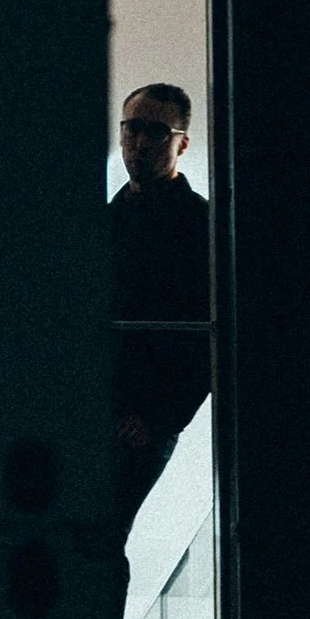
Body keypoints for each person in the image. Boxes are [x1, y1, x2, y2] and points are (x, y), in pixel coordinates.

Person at [111, 82, 212, 539]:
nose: (141, 142)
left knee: (102, 539)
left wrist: (157, 419)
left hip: (141, 423)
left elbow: (210, 334)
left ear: (181, 143)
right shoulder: (103, 222)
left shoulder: (202, 226)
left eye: (156, 131)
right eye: (133, 129)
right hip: (96, 412)